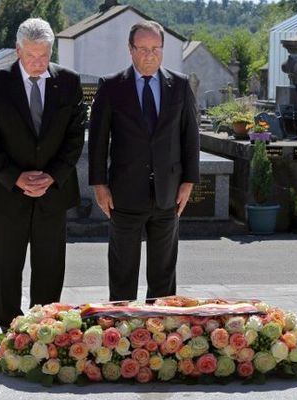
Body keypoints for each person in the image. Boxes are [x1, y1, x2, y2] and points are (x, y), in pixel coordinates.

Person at [0, 18, 85, 332]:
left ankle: (45, 328)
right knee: (7, 266)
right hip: (7, 192)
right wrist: (16, 177)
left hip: (53, 191)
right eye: (31, 56)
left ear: (52, 51)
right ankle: (11, 332)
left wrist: (51, 176)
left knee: (50, 266)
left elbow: (75, 137)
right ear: (17, 51)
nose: (38, 64)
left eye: (44, 56)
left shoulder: (69, 82)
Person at [88, 20, 200, 302]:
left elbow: (190, 136)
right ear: (130, 49)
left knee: (163, 274)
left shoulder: (180, 86)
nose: (150, 55)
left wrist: (189, 181)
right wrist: (99, 185)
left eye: (156, 48)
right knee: (122, 271)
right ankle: (121, 334)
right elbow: (99, 140)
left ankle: (160, 333)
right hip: (124, 194)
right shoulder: (112, 86)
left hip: (168, 194)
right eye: (143, 48)